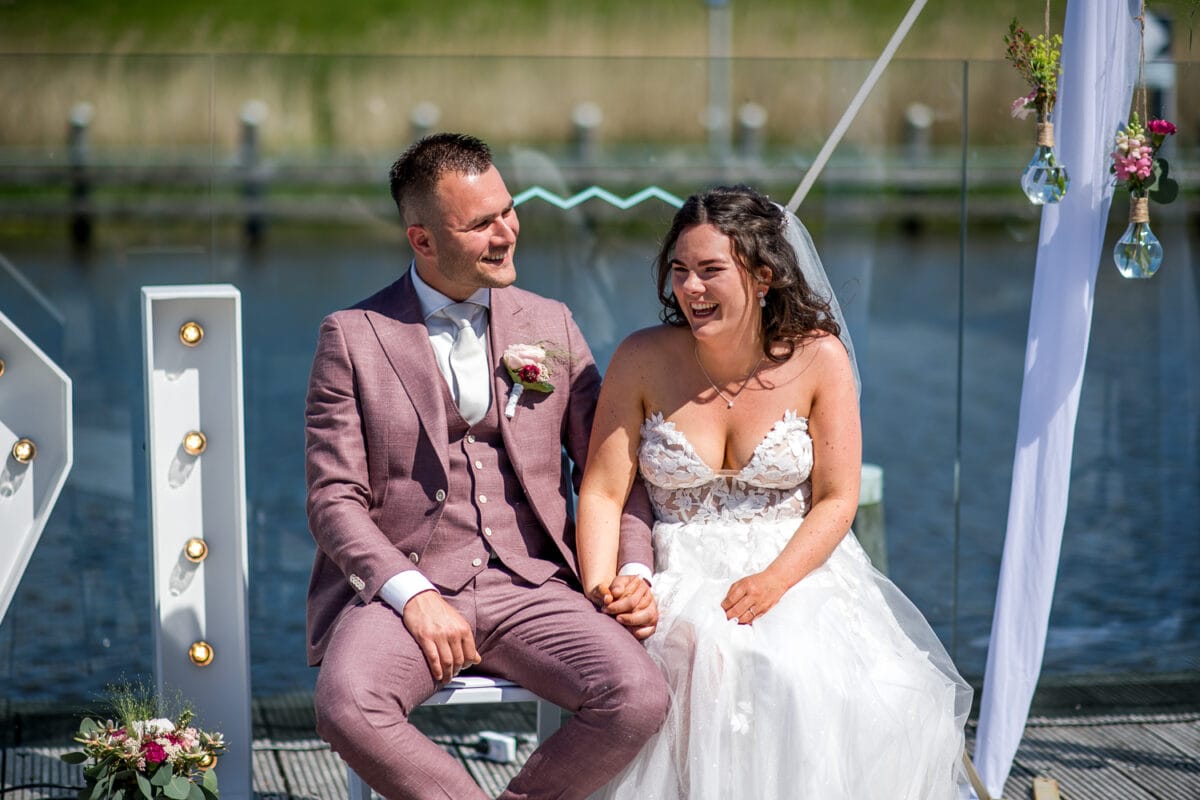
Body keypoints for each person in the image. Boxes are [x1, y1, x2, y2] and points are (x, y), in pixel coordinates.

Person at [304, 132, 669, 800]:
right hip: (405, 583)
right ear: (422, 240)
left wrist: (634, 571)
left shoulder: (551, 323)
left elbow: (612, 472)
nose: (508, 232)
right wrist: (412, 596)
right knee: (346, 707)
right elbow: (334, 500)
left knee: (638, 696)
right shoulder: (352, 336)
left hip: (532, 584)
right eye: (481, 224)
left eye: (509, 209)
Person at [578, 185, 972, 799]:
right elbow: (603, 491)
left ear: (763, 276)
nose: (691, 288)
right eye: (680, 271)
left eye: (711, 271)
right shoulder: (641, 357)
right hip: (675, 568)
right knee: (687, 663)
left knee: (796, 674)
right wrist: (604, 594)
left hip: (795, 567)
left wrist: (774, 581)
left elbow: (838, 499)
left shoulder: (819, 359)